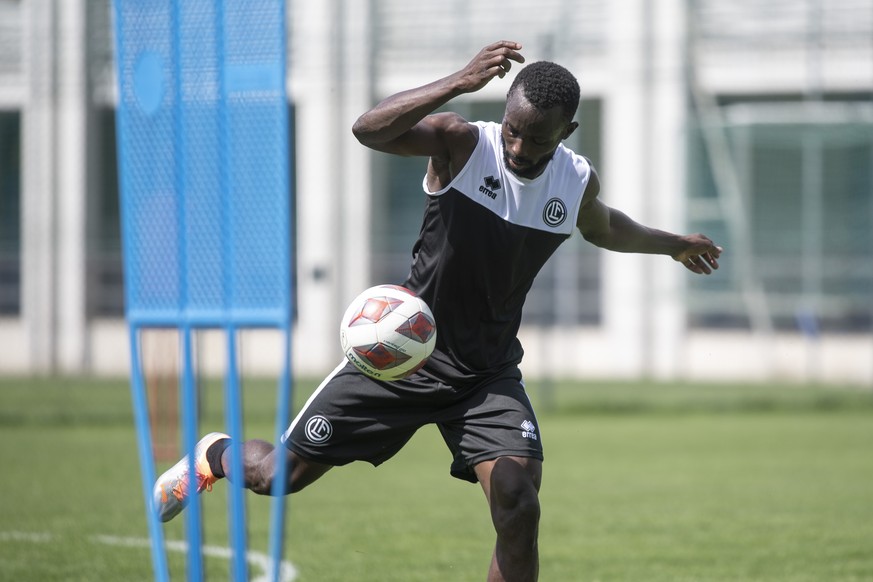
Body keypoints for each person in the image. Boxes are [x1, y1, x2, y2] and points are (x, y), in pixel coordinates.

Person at [154, 40, 722, 581]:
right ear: (504, 113)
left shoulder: (574, 179)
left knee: (519, 502)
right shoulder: (463, 145)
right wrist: (460, 80)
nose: (521, 150)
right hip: (402, 357)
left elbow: (604, 227)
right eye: (515, 133)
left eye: (539, 142)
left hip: (486, 375)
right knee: (280, 477)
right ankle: (215, 454)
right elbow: (368, 129)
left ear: (567, 132)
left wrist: (673, 243)